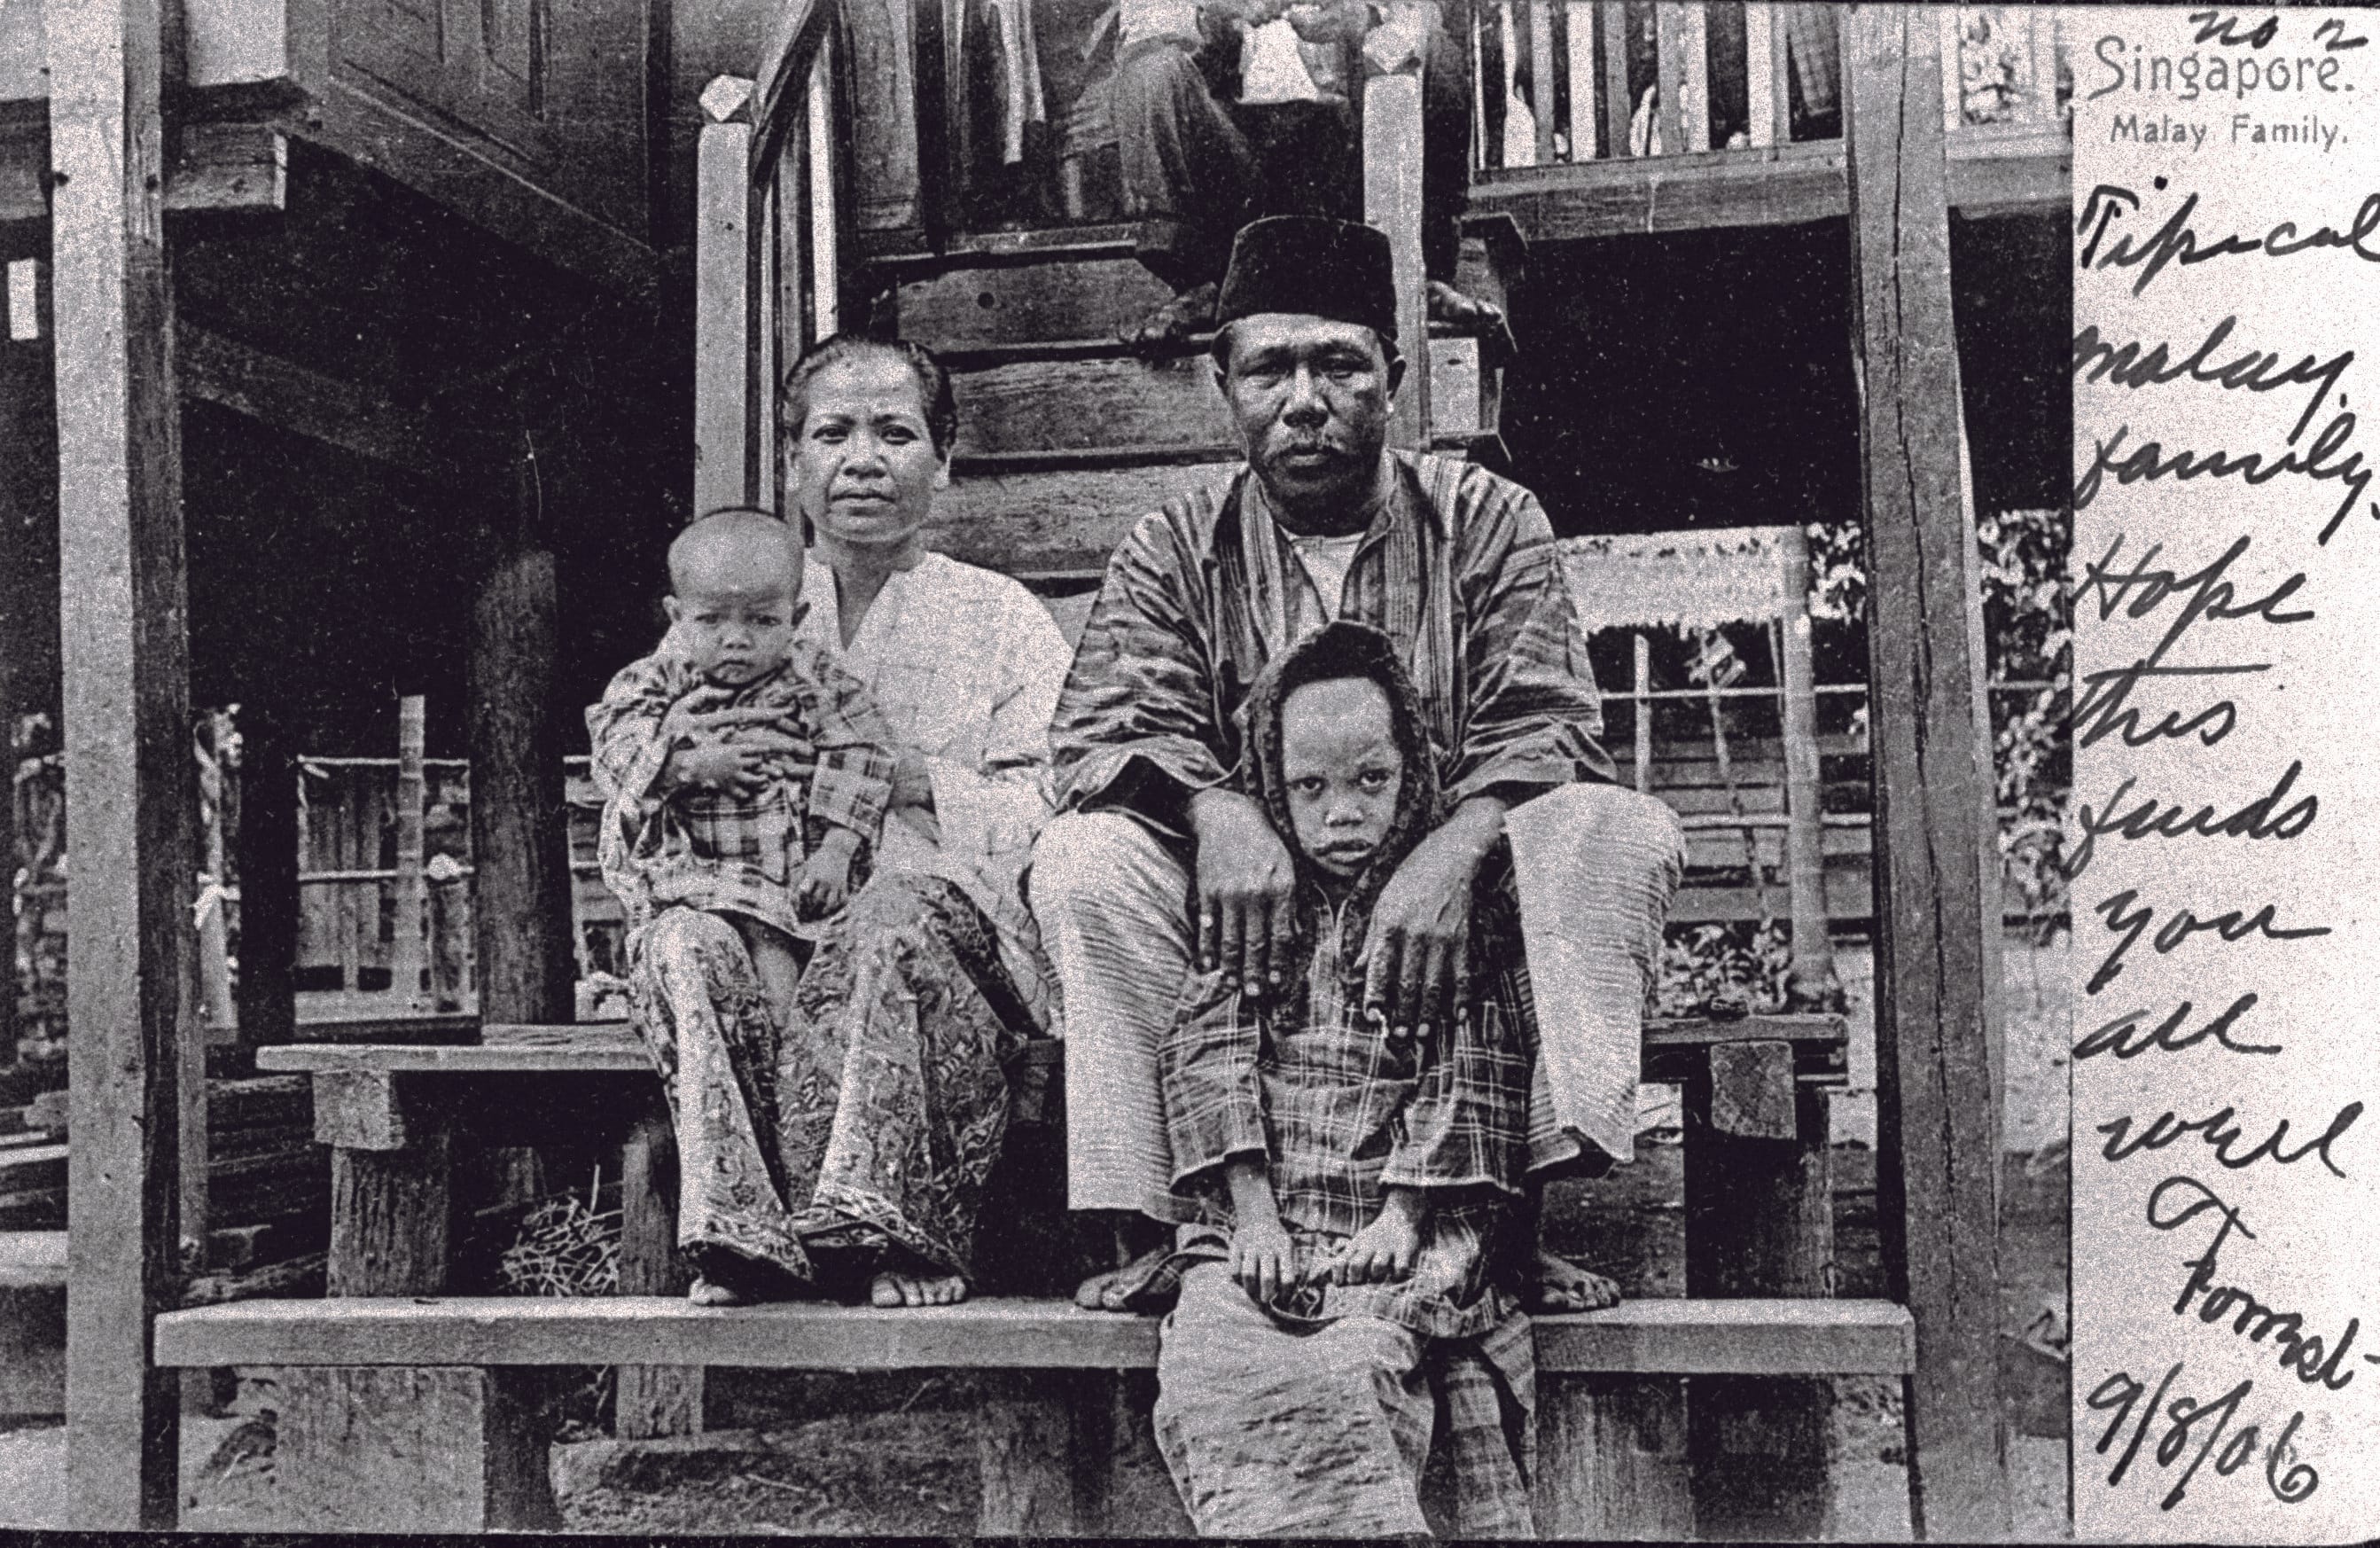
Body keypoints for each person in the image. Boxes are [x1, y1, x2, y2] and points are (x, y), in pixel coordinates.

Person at [1032, 214, 1686, 1316]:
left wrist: (1452, 850)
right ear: (1222, 387)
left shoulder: (1485, 518)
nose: (1304, 398)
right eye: (1268, 368)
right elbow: (1109, 729)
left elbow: (1550, 721)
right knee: (1083, 857)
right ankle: (1176, 1222)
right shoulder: (1175, 540)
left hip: (1454, 906)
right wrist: (1220, 812)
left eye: (1337, 363)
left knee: (1619, 832)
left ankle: (1511, 1222)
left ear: (1393, 372)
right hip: (1251, 926)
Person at [1150, 620, 1537, 1537]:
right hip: (1263, 1224)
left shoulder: (1447, 920)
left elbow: (1468, 1070)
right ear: (1273, 793)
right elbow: (1210, 1056)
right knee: (1215, 1357)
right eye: (1310, 788)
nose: (1344, 814)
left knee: (1356, 1359)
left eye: (1372, 781)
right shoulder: (1254, 916)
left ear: (1413, 776)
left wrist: (1403, 1217)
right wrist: (1252, 1219)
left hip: (1405, 1222)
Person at [589, 510, 899, 1304]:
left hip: (786, 887)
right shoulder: (658, 678)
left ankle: (813, 1208)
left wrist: (834, 848)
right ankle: (741, 1233)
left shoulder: (813, 679)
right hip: (692, 878)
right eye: (712, 620)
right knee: (740, 963)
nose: (736, 641)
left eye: (760, 621)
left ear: (794, 618)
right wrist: (689, 760)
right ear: (675, 617)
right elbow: (615, 743)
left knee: (788, 985)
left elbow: (862, 752)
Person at [1111, 0, 1499, 348]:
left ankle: (1430, 275)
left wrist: (1362, 17)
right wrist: (1214, 13)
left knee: (1436, 50)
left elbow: (1424, 11)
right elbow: (1142, 25)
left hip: (1344, 154)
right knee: (1150, 71)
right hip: (1235, 158)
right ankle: (1200, 283)